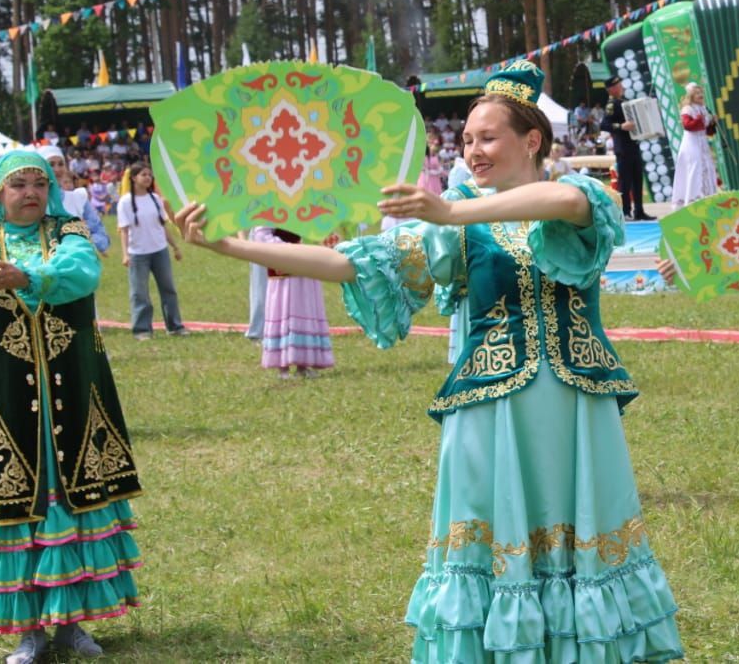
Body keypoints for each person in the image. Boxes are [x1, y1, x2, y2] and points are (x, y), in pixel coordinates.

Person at [173, 60, 683, 660]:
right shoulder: (452, 221)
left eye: (487, 137)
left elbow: (564, 200)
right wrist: (229, 245)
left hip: (574, 406)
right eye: (466, 140)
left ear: (532, 140)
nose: (473, 151)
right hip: (491, 406)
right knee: (494, 539)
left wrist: (451, 211)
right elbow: (351, 264)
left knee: (582, 537)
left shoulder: (576, 196)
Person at [0, 151, 141, 663]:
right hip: (5, 400)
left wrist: (29, 278)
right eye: (18, 184)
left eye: (39, 183)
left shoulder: (69, 233)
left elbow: (81, 273)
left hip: (71, 394)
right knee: (19, 502)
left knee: (69, 500)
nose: (31, 192)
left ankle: (71, 624)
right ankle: (29, 632)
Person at [117, 163, 187, 340]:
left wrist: (175, 246)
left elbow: (162, 226)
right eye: (143, 174)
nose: (148, 177)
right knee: (139, 293)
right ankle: (142, 330)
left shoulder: (156, 199)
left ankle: (175, 326)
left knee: (168, 289)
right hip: (138, 254)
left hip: (159, 251)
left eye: (149, 174)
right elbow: (124, 230)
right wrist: (125, 254)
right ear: (134, 178)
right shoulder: (125, 202)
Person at [253, 227, 334, 379]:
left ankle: (303, 365)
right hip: (284, 266)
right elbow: (261, 234)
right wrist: (288, 249)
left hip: (308, 263)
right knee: (284, 308)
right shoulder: (271, 212)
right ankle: (282, 367)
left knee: (306, 307)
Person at [599, 75, 654, 220]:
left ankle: (639, 211)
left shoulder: (624, 101)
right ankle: (625, 211)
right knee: (625, 182)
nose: (621, 87)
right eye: (617, 85)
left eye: (620, 84)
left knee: (637, 180)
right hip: (623, 148)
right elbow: (604, 124)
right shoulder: (612, 105)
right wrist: (621, 126)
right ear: (611, 89)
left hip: (633, 145)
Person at [39, 146, 110, 254]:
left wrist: (83, 242)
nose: (57, 169)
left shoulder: (78, 198)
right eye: (51, 164)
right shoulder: (33, 202)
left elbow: (101, 235)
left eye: (61, 164)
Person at [671, 81, 719, 208]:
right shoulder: (687, 109)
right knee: (695, 169)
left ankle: (709, 197)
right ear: (691, 95)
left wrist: (712, 123)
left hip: (702, 144)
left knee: (707, 168)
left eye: (701, 92)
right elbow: (688, 126)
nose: (700, 95)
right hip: (692, 145)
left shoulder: (703, 109)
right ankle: (693, 201)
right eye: (697, 93)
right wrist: (699, 118)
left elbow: (708, 131)